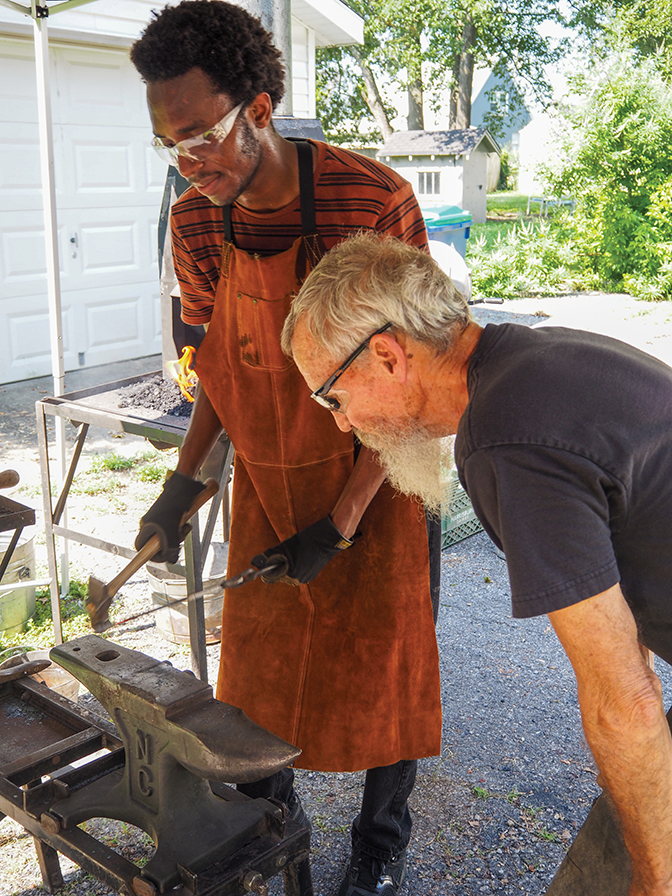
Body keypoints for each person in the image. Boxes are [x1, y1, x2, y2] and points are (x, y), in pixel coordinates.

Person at [130, 5, 442, 894]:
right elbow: (222, 370)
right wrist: (182, 485)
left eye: (202, 136)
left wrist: (339, 524)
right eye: (171, 147)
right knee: (258, 680)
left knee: (389, 670)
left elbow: (411, 386)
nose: (189, 165)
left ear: (259, 111)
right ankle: (273, 821)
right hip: (268, 477)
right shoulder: (197, 224)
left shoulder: (372, 200)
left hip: (378, 478)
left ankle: (379, 846)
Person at [284, 231, 672, 896]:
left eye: (333, 397)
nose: (342, 425)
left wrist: (657, 884)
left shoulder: (503, 438)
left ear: (386, 356)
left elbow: (625, 704)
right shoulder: (535, 356)